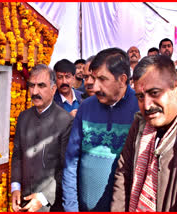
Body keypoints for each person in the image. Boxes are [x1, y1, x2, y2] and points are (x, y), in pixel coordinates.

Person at [111, 55, 177, 212]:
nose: (147, 105)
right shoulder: (141, 123)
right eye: (141, 97)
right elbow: (123, 173)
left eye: (154, 93)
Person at [62, 48, 139, 212]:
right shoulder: (86, 107)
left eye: (102, 79)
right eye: (93, 78)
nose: (94, 87)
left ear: (122, 79)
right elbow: (71, 162)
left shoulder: (140, 109)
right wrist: (71, 208)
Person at [11, 64, 74, 212]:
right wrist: (15, 187)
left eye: (41, 86)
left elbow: (66, 168)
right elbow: (17, 155)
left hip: (49, 203)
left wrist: (43, 197)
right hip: (24, 200)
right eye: (31, 86)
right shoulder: (23, 117)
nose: (35, 91)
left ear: (53, 90)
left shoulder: (65, 121)